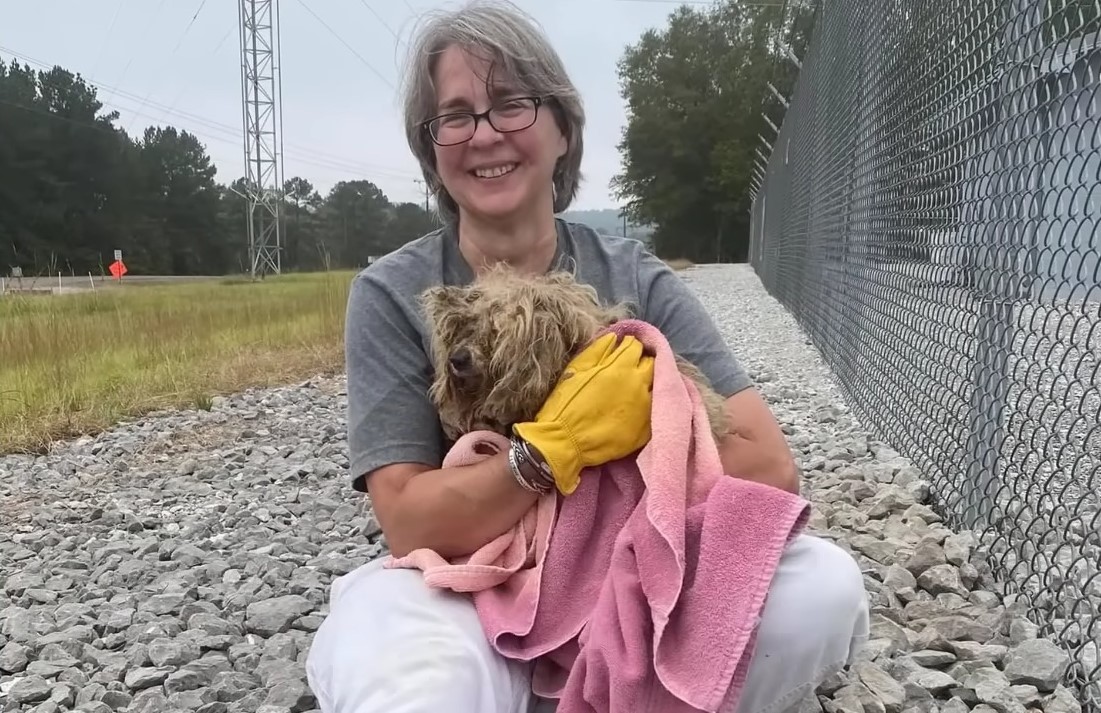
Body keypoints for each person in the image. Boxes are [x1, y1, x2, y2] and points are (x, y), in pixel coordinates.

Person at [304, 2, 870, 711]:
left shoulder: (638, 279)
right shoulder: (393, 292)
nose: (483, 135)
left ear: (562, 127)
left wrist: (646, 427)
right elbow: (410, 519)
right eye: (454, 115)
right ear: (431, 149)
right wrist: (549, 451)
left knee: (820, 587)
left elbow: (769, 464)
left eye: (510, 104)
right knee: (403, 669)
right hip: (465, 585)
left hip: (627, 568)